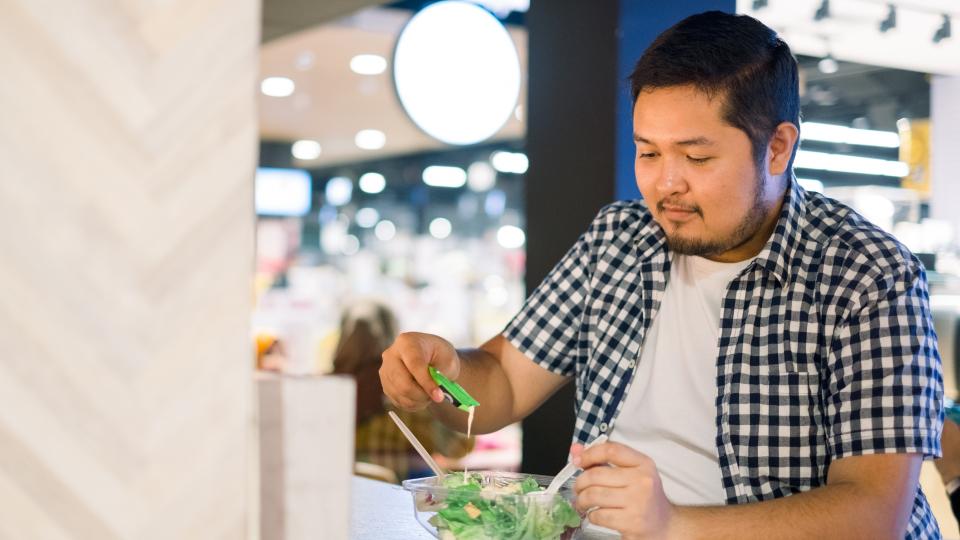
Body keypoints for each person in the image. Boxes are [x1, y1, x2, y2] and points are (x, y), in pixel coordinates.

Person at [379, 10, 944, 539]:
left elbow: (873, 514)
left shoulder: (867, 275)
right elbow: (498, 389)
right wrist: (444, 374)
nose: (665, 184)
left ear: (777, 148)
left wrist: (672, 523)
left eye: (696, 158)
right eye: (648, 153)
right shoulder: (619, 239)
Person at [333, 300, 474, 480]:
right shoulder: (411, 390)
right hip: (413, 497)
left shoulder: (325, 394)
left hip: (347, 494)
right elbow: (459, 448)